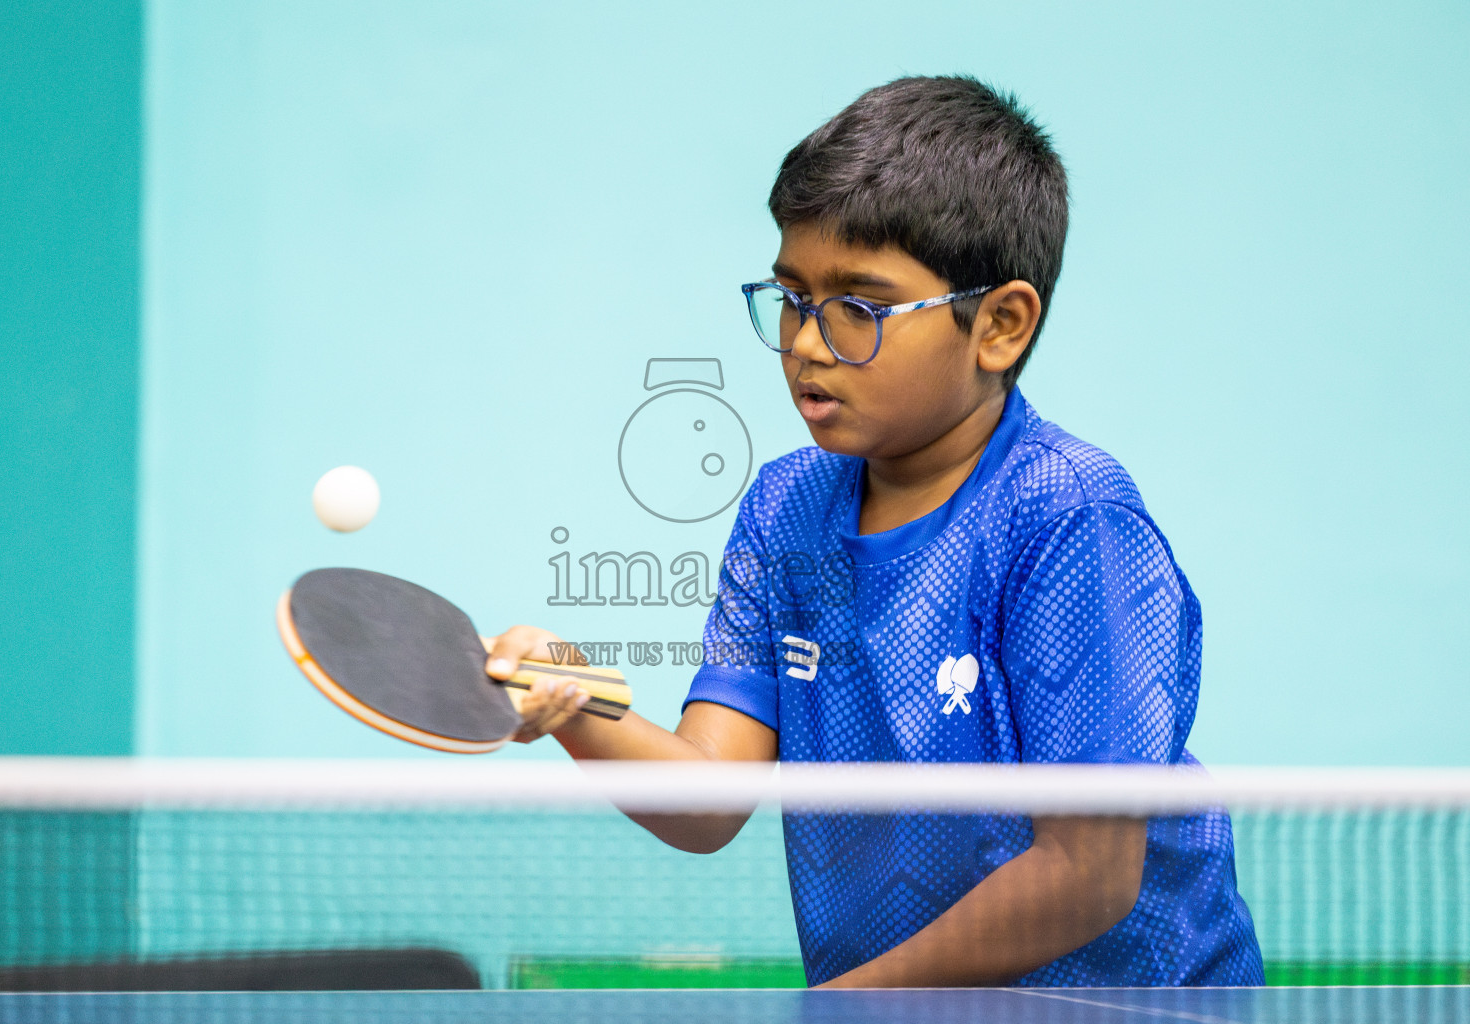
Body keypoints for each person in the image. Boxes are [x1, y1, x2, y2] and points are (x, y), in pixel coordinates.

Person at [486, 75, 1264, 988]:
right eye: (792, 298)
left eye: (860, 307)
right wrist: (581, 704)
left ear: (1001, 325)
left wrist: (843, 1009)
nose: (808, 343)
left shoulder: (1067, 516)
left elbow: (1086, 875)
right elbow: (707, 797)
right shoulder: (785, 510)